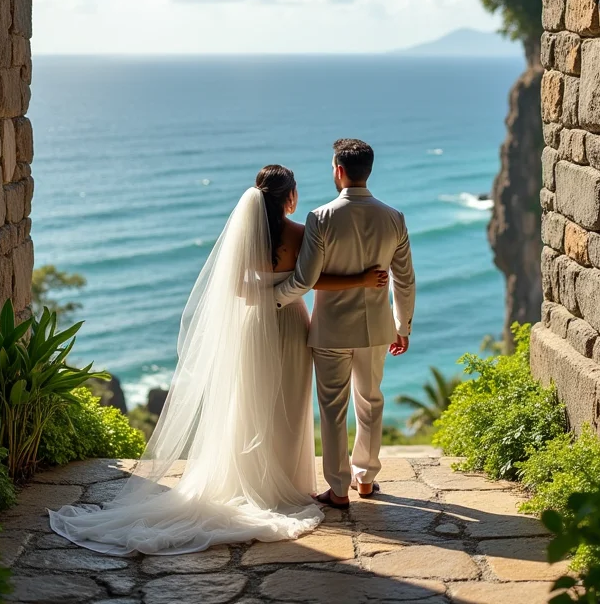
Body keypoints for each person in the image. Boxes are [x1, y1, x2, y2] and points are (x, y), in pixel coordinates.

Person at [49, 164, 387, 555]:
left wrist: (263, 289)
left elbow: (240, 292)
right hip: (290, 326)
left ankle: (252, 479)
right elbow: (309, 281)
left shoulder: (243, 240)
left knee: (247, 403)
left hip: (250, 327)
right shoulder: (301, 233)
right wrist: (360, 280)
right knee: (290, 404)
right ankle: (290, 486)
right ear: (290, 197)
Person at [274, 139, 416, 509]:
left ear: (338, 170)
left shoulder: (320, 217)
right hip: (376, 328)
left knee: (333, 408)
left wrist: (272, 298)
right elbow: (405, 279)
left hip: (332, 328)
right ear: (367, 171)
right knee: (371, 402)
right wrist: (402, 326)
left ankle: (338, 489)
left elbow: (304, 280)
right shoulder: (394, 217)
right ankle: (365, 479)